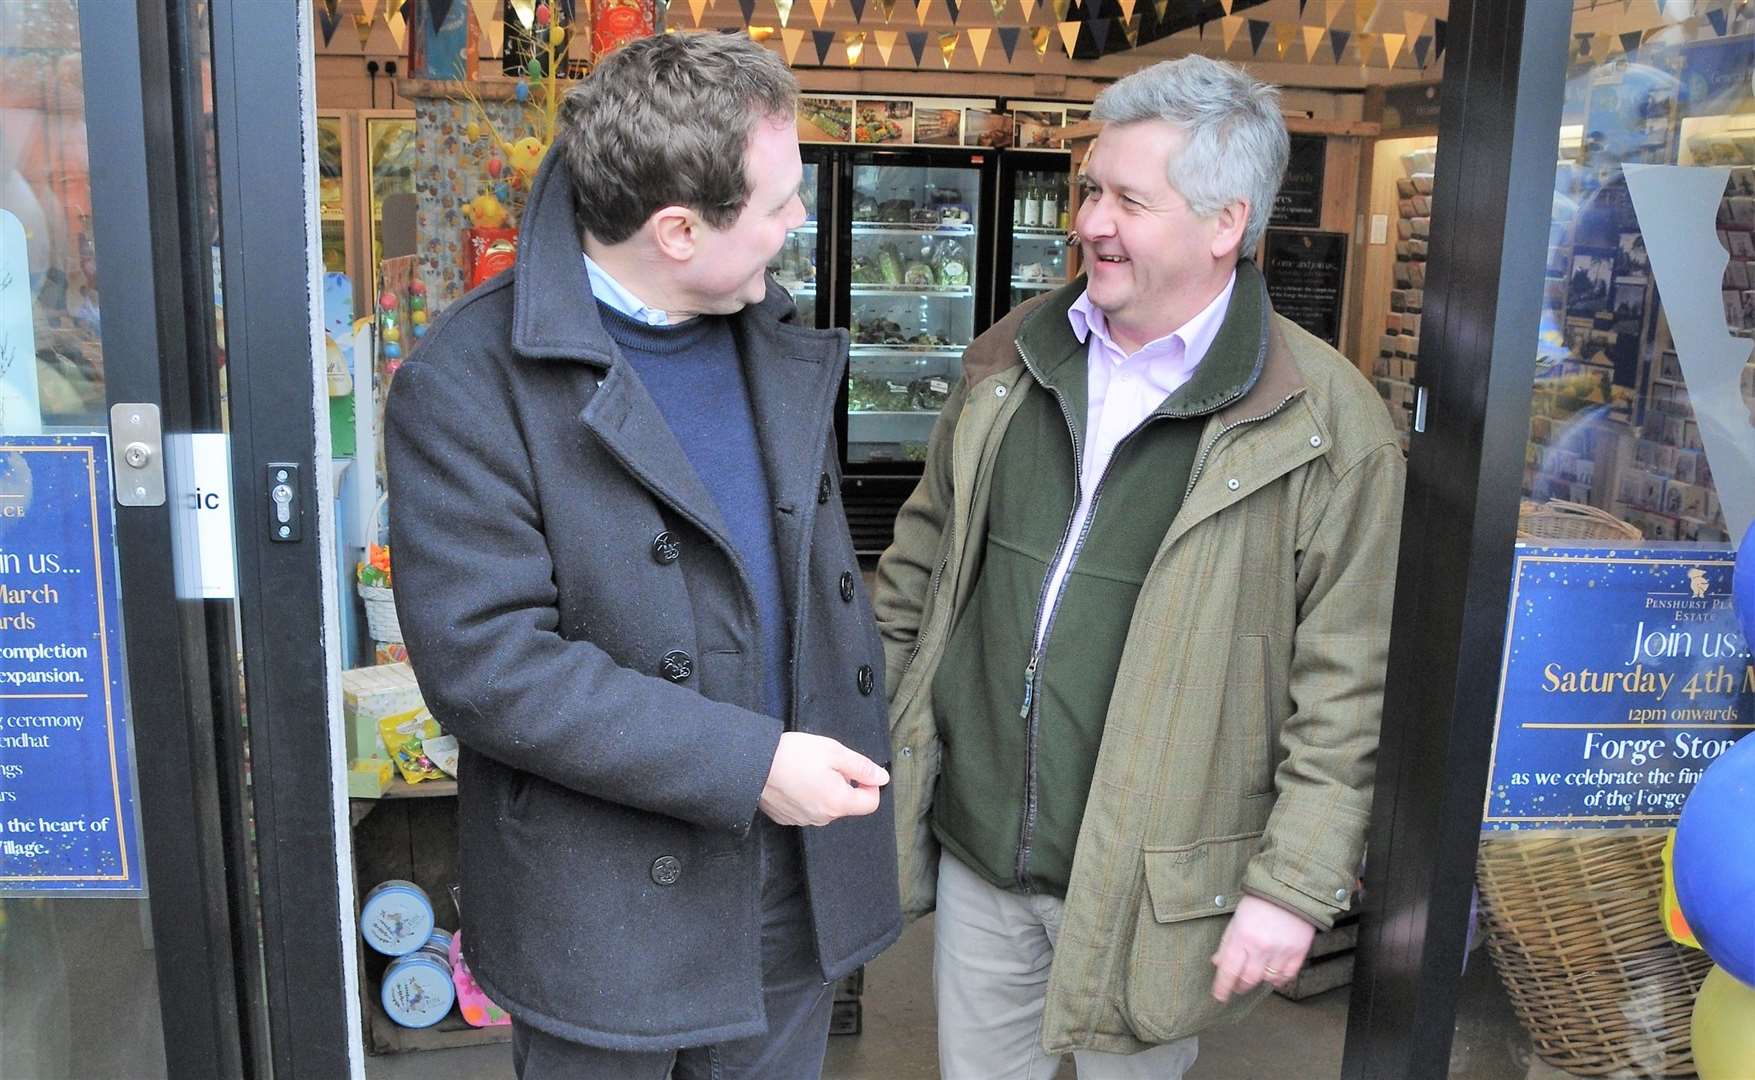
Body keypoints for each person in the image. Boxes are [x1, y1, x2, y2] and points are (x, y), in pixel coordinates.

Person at [874, 55, 1405, 1078]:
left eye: (1127, 198)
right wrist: (871, 757)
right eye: (1089, 188)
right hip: (984, 852)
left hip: (1154, 889)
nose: (1089, 222)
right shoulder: (1008, 360)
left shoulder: (1330, 429)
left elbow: (1346, 687)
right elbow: (918, 575)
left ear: (1224, 225)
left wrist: (1292, 886)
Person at [385, 32, 901, 1080]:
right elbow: (490, 669)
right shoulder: (468, 381)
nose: (797, 224)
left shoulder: (769, 332)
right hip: (604, 914)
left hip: (789, 893)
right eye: (778, 205)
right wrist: (750, 763)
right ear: (676, 230)